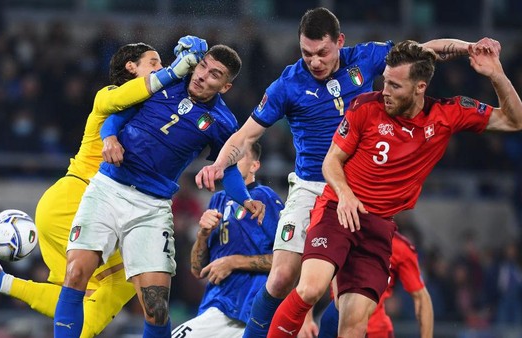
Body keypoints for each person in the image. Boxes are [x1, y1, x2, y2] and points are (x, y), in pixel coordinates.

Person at [194, 7, 478, 337]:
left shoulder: (368, 58)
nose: (314, 61)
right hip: (310, 186)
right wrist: (218, 164)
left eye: (322, 52)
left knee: (346, 300)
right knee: (283, 276)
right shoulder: (287, 84)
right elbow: (245, 136)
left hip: (357, 190)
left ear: (340, 42)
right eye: (306, 53)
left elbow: (425, 51)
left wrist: (468, 48)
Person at [267, 39, 522, 338]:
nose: (385, 91)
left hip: (378, 230)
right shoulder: (365, 107)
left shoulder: (445, 115)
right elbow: (331, 162)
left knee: (354, 326)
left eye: (395, 86)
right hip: (338, 209)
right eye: (385, 81)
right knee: (311, 288)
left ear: (420, 87)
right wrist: (346, 195)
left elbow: (513, 120)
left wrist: (496, 75)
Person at [0, 36, 207, 338]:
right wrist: (179, 68)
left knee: (91, 305)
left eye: (163, 64)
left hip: (93, 207)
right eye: (154, 63)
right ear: (131, 67)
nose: (162, 68)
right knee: (125, 284)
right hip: (78, 200)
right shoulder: (109, 95)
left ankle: (1, 282)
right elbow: (134, 94)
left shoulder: (150, 111)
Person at [54, 44, 266, 338]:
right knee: (76, 274)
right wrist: (110, 138)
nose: (203, 75)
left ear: (226, 86)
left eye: (214, 74)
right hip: (108, 189)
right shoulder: (165, 81)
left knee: (156, 308)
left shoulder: (222, 122)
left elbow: (228, 169)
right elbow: (116, 115)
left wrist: (245, 199)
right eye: (203, 65)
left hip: (151, 207)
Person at [172, 142, 284, 338]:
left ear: (254, 166)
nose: (230, 162)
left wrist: (234, 262)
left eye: (238, 157)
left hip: (248, 307)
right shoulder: (217, 200)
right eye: (227, 157)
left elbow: (287, 263)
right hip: (216, 305)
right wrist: (202, 235)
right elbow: (198, 270)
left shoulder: (264, 198)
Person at [318, 231, 434, 338]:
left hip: (375, 330)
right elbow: (312, 280)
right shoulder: (339, 232)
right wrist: (307, 318)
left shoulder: (399, 247)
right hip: (338, 322)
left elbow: (422, 297)